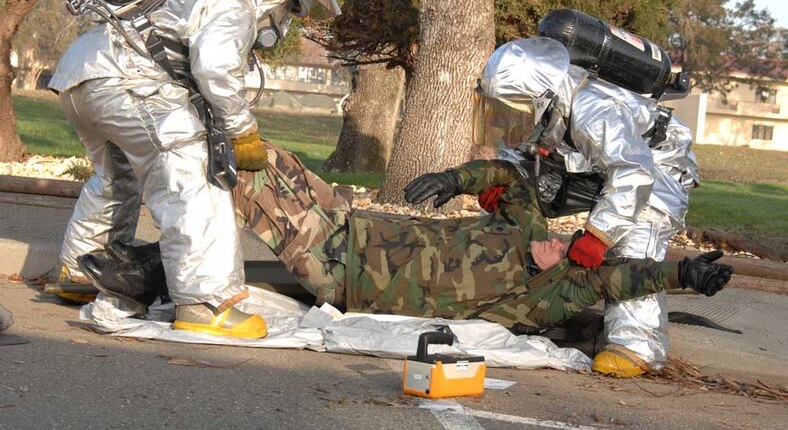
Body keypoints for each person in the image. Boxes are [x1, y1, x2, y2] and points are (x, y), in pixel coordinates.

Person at [77, 141, 731, 335]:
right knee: (262, 157)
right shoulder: (526, 226)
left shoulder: (536, 299)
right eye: (565, 239)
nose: (559, 246)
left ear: (567, 272)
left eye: (569, 253)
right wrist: (456, 177)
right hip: (355, 223)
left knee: (246, 190)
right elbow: (506, 176)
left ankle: (142, 267)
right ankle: (158, 212)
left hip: (346, 268)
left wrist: (682, 273)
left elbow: (619, 276)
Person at [48, 0, 340, 339]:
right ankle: (205, 303)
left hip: (82, 74)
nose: (284, 18)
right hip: (129, 82)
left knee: (116, 177)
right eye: (289, 4)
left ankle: (79, 269)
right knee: (193, 176)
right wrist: (243, 131)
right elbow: (215, 70)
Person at [472, 36, 700, 376]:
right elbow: (520, 148)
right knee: (521, 192)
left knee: (633, 239)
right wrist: (503, 183)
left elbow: (634, 172)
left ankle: (636, 347)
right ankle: (508, 292)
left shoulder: (594, 109)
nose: (507, 117)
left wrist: (598, 236)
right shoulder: (544, 102)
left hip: (656, 166)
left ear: (540, 96)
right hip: (591, 164)